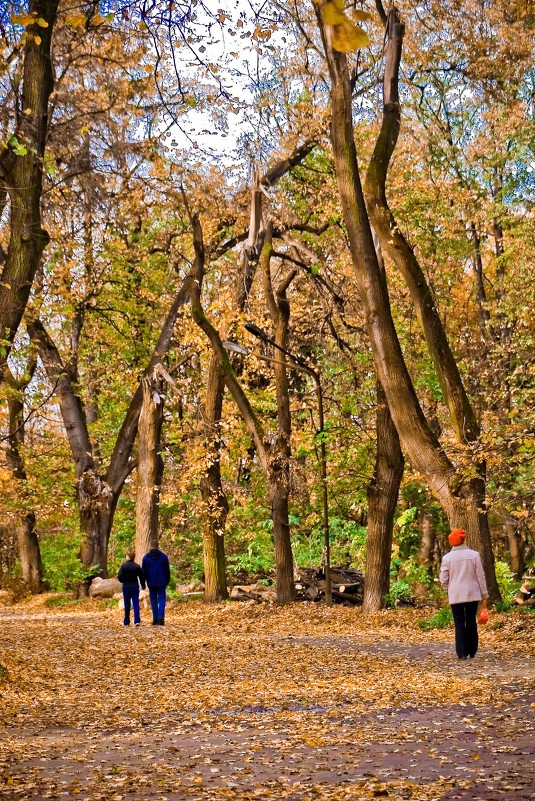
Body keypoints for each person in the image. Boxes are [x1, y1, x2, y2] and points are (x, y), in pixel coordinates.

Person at [439, 528, 488, 660]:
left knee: (459, 623)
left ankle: (461, 652)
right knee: (471, 621)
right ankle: (472, 650)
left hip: (455, 595)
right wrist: (484, 594)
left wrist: (448, 590)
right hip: (472, 593)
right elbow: (480, 576)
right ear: (463, 539)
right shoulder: (474, 555)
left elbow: (443, 578)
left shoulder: (447, 558)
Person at [142, 540, 171, 626]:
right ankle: (161, 616)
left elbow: (143, 572)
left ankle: (155, 619)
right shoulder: (163, 557)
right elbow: (167, 571)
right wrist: (167, 580)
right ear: (158, 546)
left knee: (153, 600)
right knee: (162, 599)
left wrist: (143, 583)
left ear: (150, 546)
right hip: (162, 581)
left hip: (151, 582)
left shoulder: (146, 558)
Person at [117, 548, 146, 627]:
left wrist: (123, 580)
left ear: (128, 557)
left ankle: (126, 621)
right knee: (136, 603)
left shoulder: (123, 566)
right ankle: (137, 620)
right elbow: (141, 577)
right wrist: (143, 586)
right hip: (134, 586)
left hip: (126, 587)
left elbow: (119, 576)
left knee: (127, 604)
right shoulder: (137, 566)